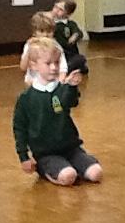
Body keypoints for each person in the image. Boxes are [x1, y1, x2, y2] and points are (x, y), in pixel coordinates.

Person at [12, 37, 102, 186]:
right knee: (68, 176)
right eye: (48, 63)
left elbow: (71, 102)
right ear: (34, 65)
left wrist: (71, 87)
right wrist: (23, 157)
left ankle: (72, 164)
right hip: (46, 153)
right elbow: (19, 128)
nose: (54, 68)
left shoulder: (61, 88)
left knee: (96, 173)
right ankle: (45, 169)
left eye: (57, 63)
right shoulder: (25, 98)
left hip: (71, 148)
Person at [20, 11, 68, 85]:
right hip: (33, 82)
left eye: (49, 31)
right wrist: (29, 51)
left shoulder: (56, 46)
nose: (45, 34)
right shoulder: (30, 45)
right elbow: (23, 67)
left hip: (52, 81)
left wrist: (61, 79)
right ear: (34, 32)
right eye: (41, 31)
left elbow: (63, 66)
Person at [52, 0, 88, 75]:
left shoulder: (70, 24)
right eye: (55, 7)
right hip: (56, 54)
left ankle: (71, 67)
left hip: (69, 54)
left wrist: (75, 36)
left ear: (68, 14)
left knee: (79, 59)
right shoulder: (50, 23)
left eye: (60, 10)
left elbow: (78, 32)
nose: (56, 10)